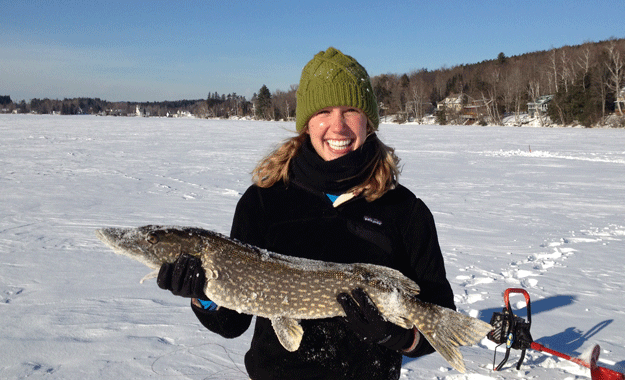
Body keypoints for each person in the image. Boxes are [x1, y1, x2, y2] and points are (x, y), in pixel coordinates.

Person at [157, 47, 456, 380]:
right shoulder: (263, 202)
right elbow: (232, 323)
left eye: (351, 110)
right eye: (324, 111)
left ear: (368, 119)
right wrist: (204, 296)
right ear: (307, 122)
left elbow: (439, 319)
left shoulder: (405, 211)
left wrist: (396, 335)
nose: (338, 126)